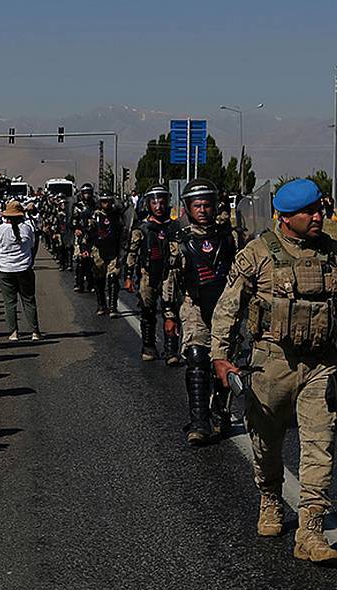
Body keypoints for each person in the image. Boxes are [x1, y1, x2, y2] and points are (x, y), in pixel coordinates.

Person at [211, 178, 337, 564]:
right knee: (266, 443)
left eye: (319, 209)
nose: (318, 217)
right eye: (308, 212)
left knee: (320, 444)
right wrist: (220, 356)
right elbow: (228, 306)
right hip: (271, 364)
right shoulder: (257, 254)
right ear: (285, 217)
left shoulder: (332, 253)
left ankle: (310, 529)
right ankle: (270, 497)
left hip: (322, 364)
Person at [163, 179, 239, 446]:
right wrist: (169, 313)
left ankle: (220, 411)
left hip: (226, 308)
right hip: (193, 304)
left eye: (207, 204)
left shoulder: (230, 237)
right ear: (187, 208)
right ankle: (199, 421)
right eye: (197, 205)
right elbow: (170, 278)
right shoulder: (179, 241)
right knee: (197, 357)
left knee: (223, 359)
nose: (203, 210)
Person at [125, 185, 179, 364]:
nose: (158, 206)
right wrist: (128, 277)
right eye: (154, 202)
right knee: (148, 311)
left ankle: (171, 351)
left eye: (162, 202)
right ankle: (148, 346)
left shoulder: (174, 227)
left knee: (170, 311)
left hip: (169, 274)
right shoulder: (142, 228)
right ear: (148, 204)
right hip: (147, 274)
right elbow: (131, 253)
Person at [0, 201, 41, 340]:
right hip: (24, 267)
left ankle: (13, 332)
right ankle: (35, 331)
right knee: (29, 300)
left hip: (5, 268)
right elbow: (32, 245)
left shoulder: (1, 229)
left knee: (9, 302)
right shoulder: (27, 228)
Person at [87, 192, 125, 318]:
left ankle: (113, 306)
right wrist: (86, 248)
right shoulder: (95, 216)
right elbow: (88, 233)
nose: (106, 204)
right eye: (104, 201)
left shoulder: (117, 215)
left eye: (108, 201)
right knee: (99, 278)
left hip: (114, 250)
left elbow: (124, 226)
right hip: (98, 250)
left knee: (113, 277)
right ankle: (101, 304)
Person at [72, 183, 97, 294]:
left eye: (88, 193)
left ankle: (92, 284)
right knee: (80, 260)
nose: (87, 195)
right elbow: (72, 221)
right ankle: (79, 284)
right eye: (85, 193)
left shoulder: (96, 206)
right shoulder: (77, 206)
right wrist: (76, 229)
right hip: (81, 237)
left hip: (93, 237)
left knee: (93, 261)